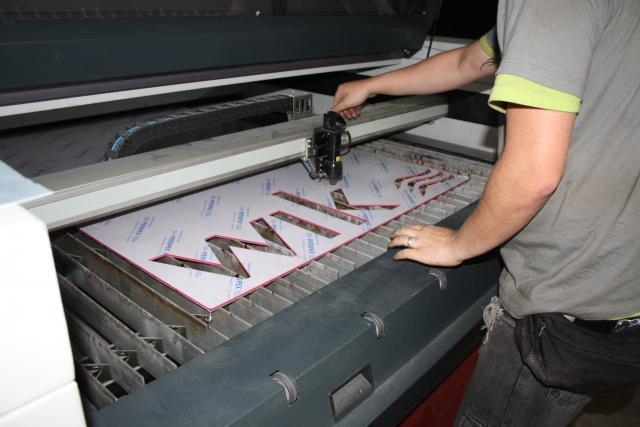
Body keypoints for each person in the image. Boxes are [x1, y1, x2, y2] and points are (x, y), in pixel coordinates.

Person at [332, 0, 640, 425]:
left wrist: (459, 244)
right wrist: (372, 86)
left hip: (563, 304)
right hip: (619, 274)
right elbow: (468, 61)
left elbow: (533, 175)